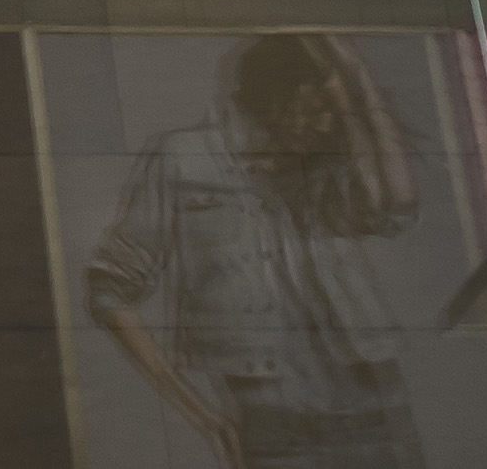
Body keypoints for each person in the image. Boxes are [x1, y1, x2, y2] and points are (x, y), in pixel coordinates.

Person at [83, 33, 426, 469]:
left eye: (332, 112)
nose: (324, 126)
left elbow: (397, 206)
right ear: (268, 101)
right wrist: (202, 416)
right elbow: (110, 292)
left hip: (379, 419)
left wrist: (359, 85)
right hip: (273, 431)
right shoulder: (183, 161)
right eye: (313, 109)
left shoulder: (332, 164)